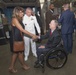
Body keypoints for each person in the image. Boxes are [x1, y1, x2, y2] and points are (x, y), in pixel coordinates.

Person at [9, 7, 38, 73]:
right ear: (17, 13)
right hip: (15, 39)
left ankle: (22, 65)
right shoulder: (14, 19)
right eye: (21, 12)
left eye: (22, 12)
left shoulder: (19, 19)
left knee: (20, 53)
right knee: (16, 53)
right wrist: (33, 35)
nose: (23, 13)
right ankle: (12, 67)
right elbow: (22, 29)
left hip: (19, 38)